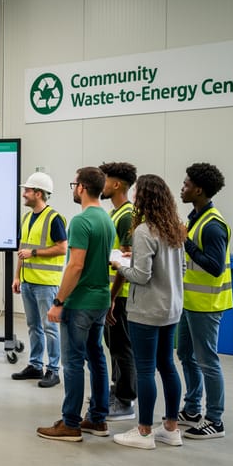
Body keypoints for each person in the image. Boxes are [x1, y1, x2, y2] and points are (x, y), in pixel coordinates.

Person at [36, 167, 114, 442]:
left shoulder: (81, 222)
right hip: (101, 301)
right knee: (96, 358)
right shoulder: (106, 219)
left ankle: (70, 423)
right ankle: (97, 418)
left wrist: (59, 301)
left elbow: (76, 265)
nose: (73, 188)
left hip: (80, 303)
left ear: (81, 188)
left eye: (74, 184)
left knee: (72, 363)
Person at [110, 174, 186, 449]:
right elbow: (181, 269)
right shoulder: (175, 229)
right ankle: (171, 427)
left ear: (143, 198)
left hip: (147, 310)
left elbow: (141, 276)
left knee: (144, 369)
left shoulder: (143, 231)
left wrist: (119, 265)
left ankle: (143, 431)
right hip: (171, 308)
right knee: (167, 365)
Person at [176, 162, 230, 439]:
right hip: (190, 303)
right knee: (185, 354)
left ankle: (215, 420)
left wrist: (186, 242)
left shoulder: (213, 226)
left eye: (185, 185)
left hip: (206, 306)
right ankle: (193, 409)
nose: (181, 188)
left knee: (208, 360)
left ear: (198, 189)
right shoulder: (195, 217)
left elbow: (215, 266)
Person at [11, 172, 67, 388]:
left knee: (49, 328)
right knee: (34, 325)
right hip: (27, 281)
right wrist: (17, 276)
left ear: (39, 193)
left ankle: (53, 370)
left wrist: (33, 253)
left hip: (46, 283)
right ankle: (35, 365)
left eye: (28, 190)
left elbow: (62, 248)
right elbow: (21, 250)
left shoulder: (54, 218)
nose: (24, 194)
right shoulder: (26, 218)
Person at [99, 161, 138, 421]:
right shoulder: (115, 214)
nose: (100, 185)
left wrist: (112, 297)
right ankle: (117, 390)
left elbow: (127, 260)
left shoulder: (126, 215)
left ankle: (126, 400)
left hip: (120, 295)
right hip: (111, 293)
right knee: (113, 345)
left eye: (105, 179)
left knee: (122, 346)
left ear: (116, 185)